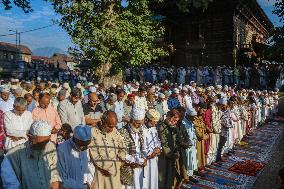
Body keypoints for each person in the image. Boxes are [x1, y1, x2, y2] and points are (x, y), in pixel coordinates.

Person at [1, 121, 61, 189]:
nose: (45, 146)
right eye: (41, 143)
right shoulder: (11, 157)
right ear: (30, 137)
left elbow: (54, 175)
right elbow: (12, 186)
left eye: (46, 141)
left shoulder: (50, 146)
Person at [89, 111, 126, 189]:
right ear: (102, 121)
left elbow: (122, 147)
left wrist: (120, 160)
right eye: (109, 126)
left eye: (113, 126)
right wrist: (109, 167)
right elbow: (94, 155)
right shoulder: (92, 132)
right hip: (100, 172)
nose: (112, 129)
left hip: (115, 171)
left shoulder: (115, 131)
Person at [57, 124, 94, 189]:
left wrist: (89, 181)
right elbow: (62, 179)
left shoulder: (86, 147)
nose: (85, 148)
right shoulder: (62, 150)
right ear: (76, 139)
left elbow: (89, 165)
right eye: (83, 145)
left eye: (87, 145)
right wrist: (81, 187)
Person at [119, 107, 147, 189]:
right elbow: (122, 153)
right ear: (131, 121)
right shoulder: (122, 132)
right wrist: (133, 161)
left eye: (141, 123)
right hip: (128, 168)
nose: (140, 125)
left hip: (140, 167)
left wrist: (144, 158)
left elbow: (143, 147)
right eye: (138, 123)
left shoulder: (140, 130)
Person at [158, 109, 182, 189]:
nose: (175, 122)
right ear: (169, 117)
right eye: (174, 120)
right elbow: (163, 142)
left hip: (172, 155)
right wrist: (171, 154)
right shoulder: (161, 127)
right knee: (163, 177)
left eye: (176, 121)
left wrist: (176, 151)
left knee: (171, 176)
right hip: (164, 156)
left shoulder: (173, 126)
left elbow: (176, 140)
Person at [142, 109, 161, 189]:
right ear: (147, 120)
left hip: (154, 159)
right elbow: (142, 145)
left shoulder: (154, 128)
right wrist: (151, 153)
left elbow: (157, 141)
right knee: (145, 181)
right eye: (154, 121)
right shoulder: (141, 130)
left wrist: (159, 148)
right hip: (146, 159)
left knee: (153, 180)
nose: (155, 123)